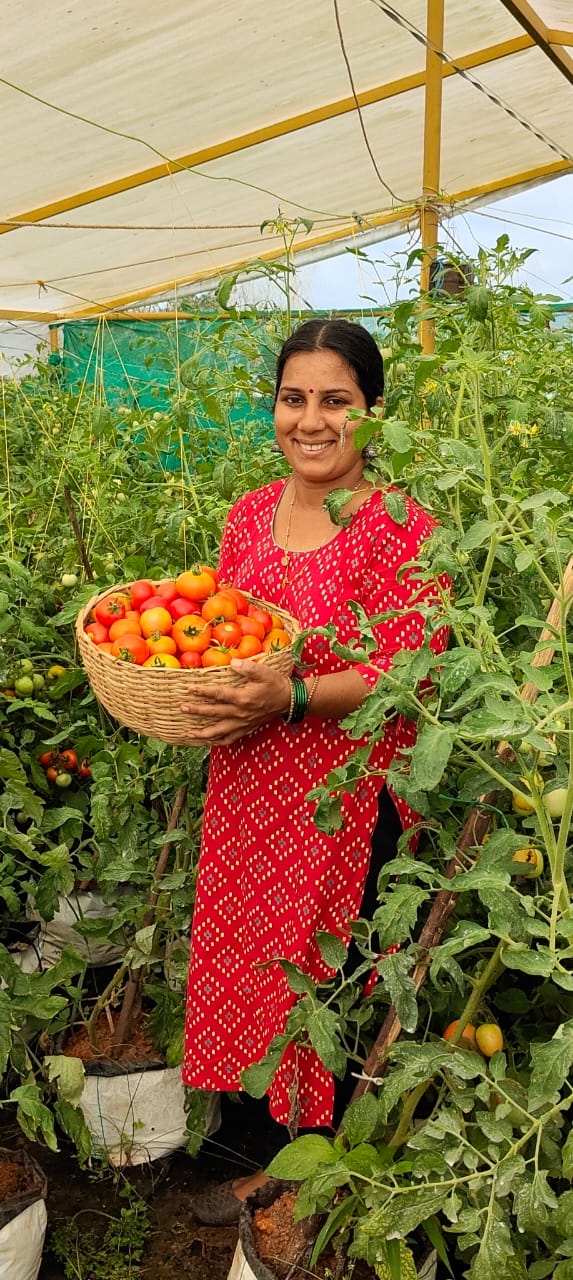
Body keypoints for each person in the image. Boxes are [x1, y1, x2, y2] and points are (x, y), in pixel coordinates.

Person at [180, 318, 448, 1223]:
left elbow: (407, 669)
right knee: (251, 951)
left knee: (321, 970)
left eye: (336, 400)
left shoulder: (400, 523)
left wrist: (288, 698)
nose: (312, 420)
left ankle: (300, 1173)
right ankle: (257, 1137)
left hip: (343, 795)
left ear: (372, 411)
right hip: (250, 780)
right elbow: (219, 632)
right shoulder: (248, 515)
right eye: (295, 399)